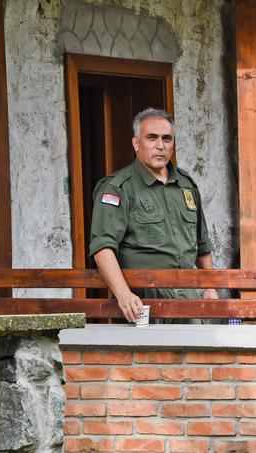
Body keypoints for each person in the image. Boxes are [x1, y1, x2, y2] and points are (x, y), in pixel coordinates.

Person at [89, 108, 219, 323]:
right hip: (143, 304)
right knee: (148, 357)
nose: (160, 145)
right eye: (152, 138)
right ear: (136, 143)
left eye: (167, 139)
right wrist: (123, 294)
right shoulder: (118, 189)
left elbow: (202, 242)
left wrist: (210, 287)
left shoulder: (186, 185)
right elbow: (102, 247)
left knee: (195, 356)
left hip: (187, 302)